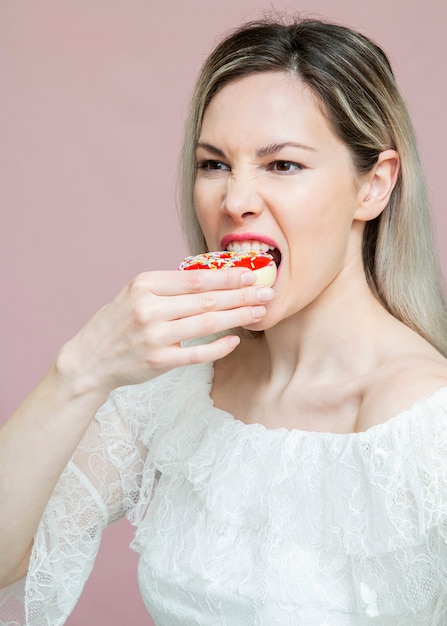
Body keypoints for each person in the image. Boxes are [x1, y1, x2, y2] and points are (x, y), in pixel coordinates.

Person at [1, 14, 447, 626]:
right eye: (214, 164)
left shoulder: (427, 424)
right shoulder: (178, 388)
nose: (235, 201)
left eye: (282, 165)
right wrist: (80, 370)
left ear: (374, 185)